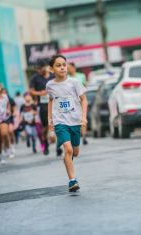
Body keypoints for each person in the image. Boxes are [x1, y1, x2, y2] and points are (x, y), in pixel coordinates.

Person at [46, 54, 88, 192]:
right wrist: (50, 121)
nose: (62, 67)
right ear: (52, 69)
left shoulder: (74, 82)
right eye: (58, 65)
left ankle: (67, 159)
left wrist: (83, 117)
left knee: (74, 152)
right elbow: (51, 101)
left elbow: (83, 100)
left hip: (75, 121)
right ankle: (72, 180)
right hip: (60, 121)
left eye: (64, 64)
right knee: (68, 149)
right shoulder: (50, 85)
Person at [29, 60, 62, 156]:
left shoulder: (53, 76)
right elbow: (31, 91)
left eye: (40, 68)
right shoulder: (35, 78)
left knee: (57, 124)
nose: (38, 71)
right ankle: (46, 144)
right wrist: (40, 93)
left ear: (45, 67)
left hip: (55, 103)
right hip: (43, 105)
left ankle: (58, 147)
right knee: (45, 127)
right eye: (37, 69)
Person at [68, 62, 89, 145]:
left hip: (80, 100)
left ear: (74, 68)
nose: (68, 69)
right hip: (71, 102)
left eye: (69, 67)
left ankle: (84, 136)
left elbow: (85, 87)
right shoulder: (66, 78)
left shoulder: (81, 76)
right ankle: (76, 134)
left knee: (83, 118)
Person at [1, 88, 16, 158]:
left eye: (5, 92)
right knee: (5, 133)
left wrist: (15, 112)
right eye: (3, 93)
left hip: (10, 117)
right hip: (2, 118)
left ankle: (12, 144)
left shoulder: (10, 99)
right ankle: (7, 147)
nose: (4, 94)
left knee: (11, 131)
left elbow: (14, 106)